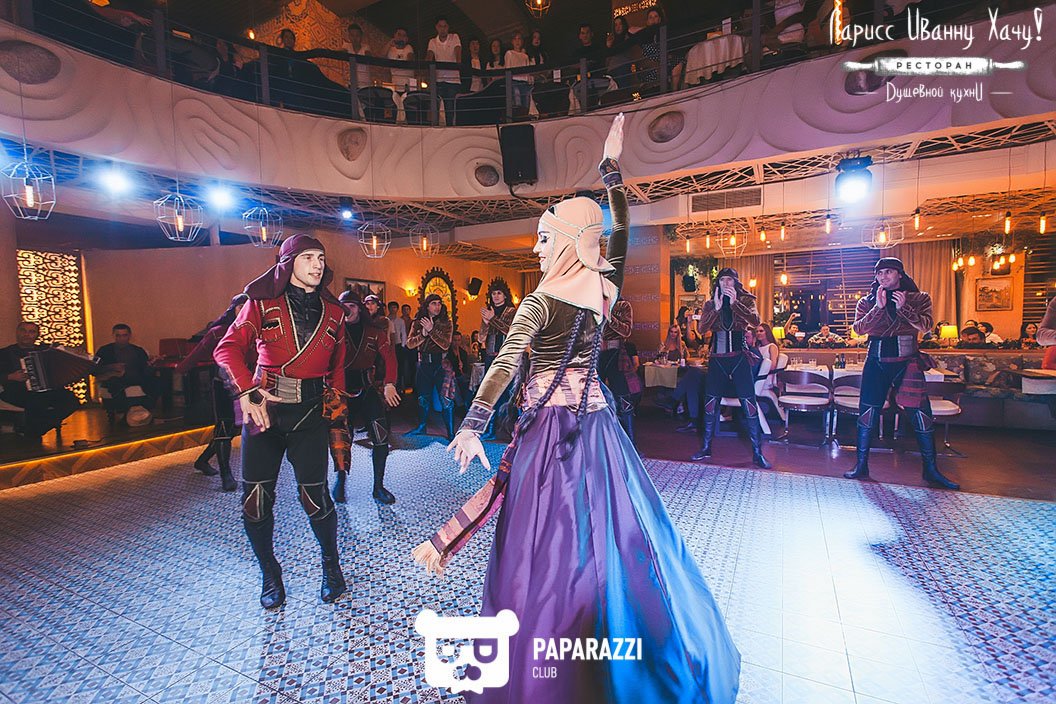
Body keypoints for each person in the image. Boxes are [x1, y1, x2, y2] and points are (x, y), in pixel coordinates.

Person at [412, 114, 740, 703]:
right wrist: (611, 172)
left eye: (545, 238)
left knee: (547, 549)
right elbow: (620, 232)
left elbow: (506, 363)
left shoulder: (542, 301)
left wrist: (473, 424)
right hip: (599, 432)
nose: (536, 249)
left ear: (567, 241)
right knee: (612, 540)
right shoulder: (600, 291)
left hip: (550, 438)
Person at [213, 235, 348, 609]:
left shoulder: (335, 313)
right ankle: (269, 573)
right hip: (264, 413)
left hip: (310, 413)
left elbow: (337, 369)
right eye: (308, 258)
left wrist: (338, 416)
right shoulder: (260, 304)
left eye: (321, 258)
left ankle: (331, 566)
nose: (317, 264)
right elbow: (226, 349)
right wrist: (246, 390)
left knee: (316, 499)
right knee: (255, 502)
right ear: (288, 264)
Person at [844, 257, 960, 490]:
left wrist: (904, 308)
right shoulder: (867, 301)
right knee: (867, 413)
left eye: (888, 272)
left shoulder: (919, 298)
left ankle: (931, 470)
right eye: (879, 273)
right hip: (875, 361)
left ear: (899, 274)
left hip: (907, 362)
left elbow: (926, 327)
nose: (883, 277)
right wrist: (878, 308)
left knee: (921, 415)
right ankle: (861, 465)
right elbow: (858, 329)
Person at [689, 269, 771, 468]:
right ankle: (706, 447)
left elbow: (755, 321)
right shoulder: (710, 303)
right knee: (710, 404)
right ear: (718, 282)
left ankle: (757, 453)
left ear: (735, 282)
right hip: (717, 359)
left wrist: (735, 304)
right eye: (722, 280)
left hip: (739, 358)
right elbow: (701, 329)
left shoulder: (746, 300)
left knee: (749, 403)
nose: (726, 283)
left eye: (729, 280)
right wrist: (716, 309)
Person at [328, 292, 399, 505]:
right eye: (344, 306)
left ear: (359, 308)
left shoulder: (374, 332)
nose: (347, 310)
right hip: (340, 391)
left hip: (367, 389)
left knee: (381, 436)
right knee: (341, 439)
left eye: (352, 305)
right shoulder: (333, 331)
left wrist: (389, 383)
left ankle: (378, 487)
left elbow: (390, 357)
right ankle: (340, 480)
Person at [175, 294, 249, 491]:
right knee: (224, 427)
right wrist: (180, 368)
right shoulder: (218, 332)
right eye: (241, 306)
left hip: (246, 386)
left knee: (232, 430)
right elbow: (197, 353)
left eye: (248, 307)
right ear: (233, 309)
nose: (244, 310)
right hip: (223, 386)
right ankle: (226, 475)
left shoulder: (254, 331)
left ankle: (202, 460)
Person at [0, 321, 79, 441]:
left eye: (31, 332)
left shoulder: (46, 350)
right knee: (37, 402)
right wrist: (10, 376)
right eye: (23, 330)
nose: (27, 334)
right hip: (16, 391)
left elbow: (66, 351)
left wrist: (77, 351)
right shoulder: (4, 353)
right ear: (17, 332)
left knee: (71, 400)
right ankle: (32, 431)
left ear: (37, 335)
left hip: (46, 390)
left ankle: (33, 429)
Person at [405, 294, 455, 439]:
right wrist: (423, 334)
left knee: (446, 399)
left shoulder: (446, 323)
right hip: (424, 364)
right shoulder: (417, 322)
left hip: (441, 365)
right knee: (423, 398)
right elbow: (409, 344)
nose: (437, 306)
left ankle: (450, 432)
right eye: (434, 303)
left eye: (439, 303)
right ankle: (422, 427)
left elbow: (445, 345)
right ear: (427, 306)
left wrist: (431, 330)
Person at [478, 280, 517, 440]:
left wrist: (493, 319)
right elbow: (481, 337)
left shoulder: (512, 312)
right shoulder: (489, 312)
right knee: (490, 394)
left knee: (508, 394)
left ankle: (509, 430)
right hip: (490, 357)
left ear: (505, 295)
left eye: (499, 293)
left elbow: (511, 331)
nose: (496, 296)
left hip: (507, 357)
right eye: (493, 293)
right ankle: (491, 429)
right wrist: (486, 323)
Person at [599, 298, 640, 441]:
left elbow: (626, 331)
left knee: (623, 398)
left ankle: (630, 442)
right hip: (595, 353)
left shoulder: (622, 305)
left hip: (615, 354)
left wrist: (608, 314)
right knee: (595, 399)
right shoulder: (591, 301)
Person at [94, 323, 158, 415]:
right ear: (113, 336)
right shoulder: (104, 350)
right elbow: (94, 369)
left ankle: (146, 412)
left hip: (136, 377)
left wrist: (151, 365)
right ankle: (122, 413)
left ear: (129, 336)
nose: (121, 339)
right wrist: (111, 367)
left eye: (124, 335)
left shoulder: (138, 350)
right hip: (115, 378)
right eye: (118, 336)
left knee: (157, 381)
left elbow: (145, 370)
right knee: (114, 384)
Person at [426, 16, 461, 122]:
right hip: (438, 79)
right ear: (436, 27)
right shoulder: (432, 41)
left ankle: (450, 127)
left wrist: (458, 65)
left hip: (453, 80)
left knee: (450, 107)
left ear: (448, 27)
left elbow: (458, 52)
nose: (442, 29)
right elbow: (429, 56)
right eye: (440, 26)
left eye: (445, 26)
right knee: (436, 106)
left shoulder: (454, 37)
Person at [505, 32, 535, 110]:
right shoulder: (509, 53)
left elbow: (528, 71)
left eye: (519, 39)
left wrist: (530, 82)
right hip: (514, 81)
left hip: (525, 82)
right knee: (517, 101)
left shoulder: (525, 56)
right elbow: (508, 69)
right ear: (512, 41)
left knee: (526, 103)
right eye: (515, 39)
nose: (517, 41)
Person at [386, 26, 416, 93]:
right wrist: (389, 44)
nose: (401, 37)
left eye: (403, 36)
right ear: (394, 35)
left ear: (407, 39)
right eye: (399, 35)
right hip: (395, 85)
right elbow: (380, 56)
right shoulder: (390, 49)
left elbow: (410, 59)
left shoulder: (409, 47)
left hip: (408, 85)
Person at [343, 22, 372, 89]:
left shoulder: (366, 47)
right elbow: (341, 52)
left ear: (361, 36)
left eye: (357, 35)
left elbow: (368, 56)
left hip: (365, 83)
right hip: (351, 82)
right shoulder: (346, 46)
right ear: (349, 36)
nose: (355, 38)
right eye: (352, 35)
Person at [388, 301, 408, 389]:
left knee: (400, 366)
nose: (393, 309)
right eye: (391, 307)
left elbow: (403, 334)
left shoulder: (401, 321)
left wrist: (403, 346)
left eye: (395, 307)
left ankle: (399, 385)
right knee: (390, 365)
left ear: (397, 309)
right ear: (389, 309)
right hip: (389, 346)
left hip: (398, 345)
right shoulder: (386, 320)